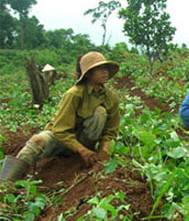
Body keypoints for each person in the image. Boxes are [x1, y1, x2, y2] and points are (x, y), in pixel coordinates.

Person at [0, 51, 120, 182]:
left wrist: (104, 151)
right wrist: (81, 150)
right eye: (100, 69)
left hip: (85, 140)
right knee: (37, 140)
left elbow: (110, 131)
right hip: (61, 139)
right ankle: (5, 183)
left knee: (100, 112)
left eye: (106, 68)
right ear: (89, 73)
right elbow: (59, 130)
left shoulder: (111, 98)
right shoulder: (74, 94)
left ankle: (82, 154)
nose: (105, 72)